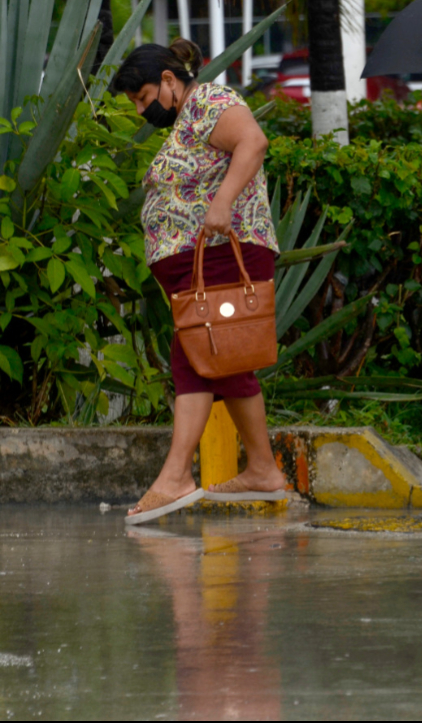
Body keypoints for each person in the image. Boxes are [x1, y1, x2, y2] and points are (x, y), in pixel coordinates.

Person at [111, 39, 288, 522]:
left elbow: (253, 142)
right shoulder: (188, 120)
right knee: (223, 360)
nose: (143, 109)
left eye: (144, 96)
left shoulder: (210, 100)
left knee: (196, 357)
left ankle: (175, 478)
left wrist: (223, 202)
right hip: (201, 263)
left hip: (222, 256)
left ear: (170, 80)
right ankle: (262, 470)